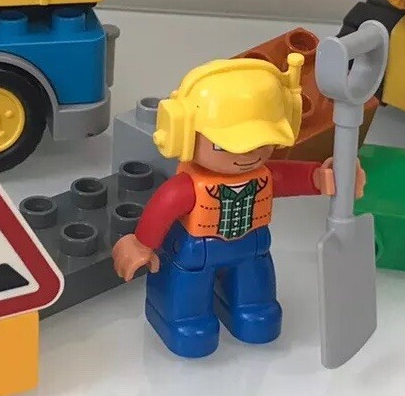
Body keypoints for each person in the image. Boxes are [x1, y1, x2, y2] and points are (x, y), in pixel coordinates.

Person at [111, 54, 362, 358]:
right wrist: (142, 243)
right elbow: (163, 206)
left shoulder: (264, 176)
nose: (248, 155)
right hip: (197, 253)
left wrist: (325, 177)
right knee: (188, 304)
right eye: (224, 145)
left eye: (262, 142)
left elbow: (296, 178)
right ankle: (183, 319)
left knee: (257, 303)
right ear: (183, 134)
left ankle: (250, 307)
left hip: (251, 249)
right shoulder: (188, 187)